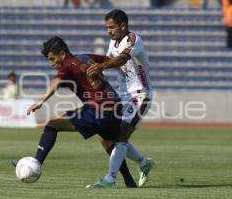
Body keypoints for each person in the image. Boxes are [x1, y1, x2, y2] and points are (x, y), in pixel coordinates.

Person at [13, 36, 140, 188]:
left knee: (52, 124)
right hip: (114, 106)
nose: (51, 63)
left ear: (61, 54)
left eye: (52, 59)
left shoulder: (67, 65)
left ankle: (35, 164)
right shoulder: (86, 57)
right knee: (108, 143)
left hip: (100, 110)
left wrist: (41, 101)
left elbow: (56, 82)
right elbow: (113, 60)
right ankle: (129, 181)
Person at [86, 9, 155, 188]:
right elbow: (108, 60)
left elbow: (122, 59)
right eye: (107, 28)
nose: (109, 31)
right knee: (107, 136)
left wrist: (101, 66)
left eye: (112, 27)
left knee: (122, 133)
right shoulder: (113, 42)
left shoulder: (133, 39)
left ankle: (110, 179)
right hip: (123, 97)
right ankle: (143, 162)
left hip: (140, 94)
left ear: (123, 26)